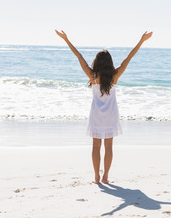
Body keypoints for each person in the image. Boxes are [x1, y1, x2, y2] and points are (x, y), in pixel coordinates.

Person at [55, 29, 153, 184]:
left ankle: (96, 177)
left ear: (96, 61)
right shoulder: (115, 75)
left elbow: (78, 56)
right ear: (109, 62)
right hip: (111, 114)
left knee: (96, 145)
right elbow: (129, 57)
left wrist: (66, 39)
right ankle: (106, 176)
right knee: (108, 146)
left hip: (96, 114)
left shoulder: (92, 76)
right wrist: (142, 40)